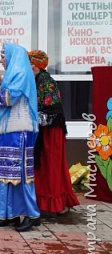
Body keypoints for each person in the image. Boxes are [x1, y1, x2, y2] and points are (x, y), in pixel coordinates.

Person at [0, 42, 41, 232]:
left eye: (3, 56)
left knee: (21, 174)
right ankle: (10, 213)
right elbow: (6, 96)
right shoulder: (13, 74)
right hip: (8, 131)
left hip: (20, 132)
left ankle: (32, 214)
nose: (1, 60)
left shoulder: (21, 73)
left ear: (12, 57)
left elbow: (9, 99)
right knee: (5, 173)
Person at [28, 50, 80, 215]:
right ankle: (44, 202)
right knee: (43, 166)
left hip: (52, 131)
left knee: (52, 166)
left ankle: (58, 203)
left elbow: (50, 109)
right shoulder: (35, 80)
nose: (27, 66)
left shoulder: (47, 82)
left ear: (36, 65)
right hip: (43, 130)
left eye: (29, 63)